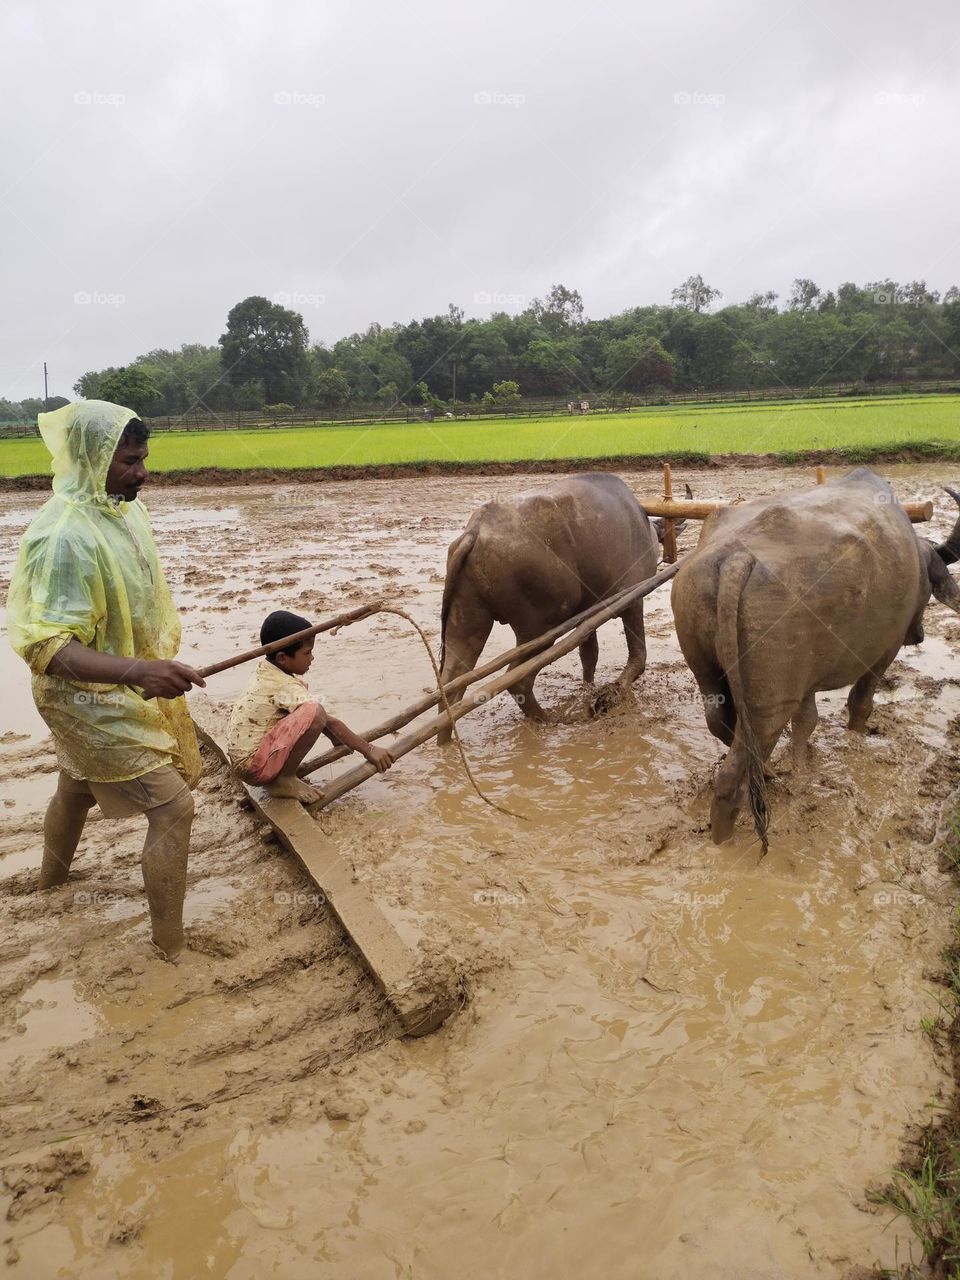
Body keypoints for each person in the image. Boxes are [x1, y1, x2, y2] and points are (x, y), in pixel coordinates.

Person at [6, 400, 205, 959]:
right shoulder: (64, 537)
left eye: (144, 458)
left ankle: (51, 886)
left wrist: (146, 664)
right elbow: (47, 647)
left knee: (74, 787)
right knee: (174, 810)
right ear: (91, 461)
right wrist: (140, 670)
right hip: (83, 697)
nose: (143, 472)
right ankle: (171, 951)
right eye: (129, 461)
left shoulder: (119, 508)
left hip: (118, 681)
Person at [226, 610, 394, 804]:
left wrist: (340, 741)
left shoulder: (266, 671)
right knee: (314, 711)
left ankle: (284, 772)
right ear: (282, 658)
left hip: (244, 762)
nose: (312, 658)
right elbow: (323, 719)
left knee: (308, 709)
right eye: (307, 653)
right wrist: (369, 749)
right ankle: (285, 779)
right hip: (255, 768)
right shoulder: (283, 685)